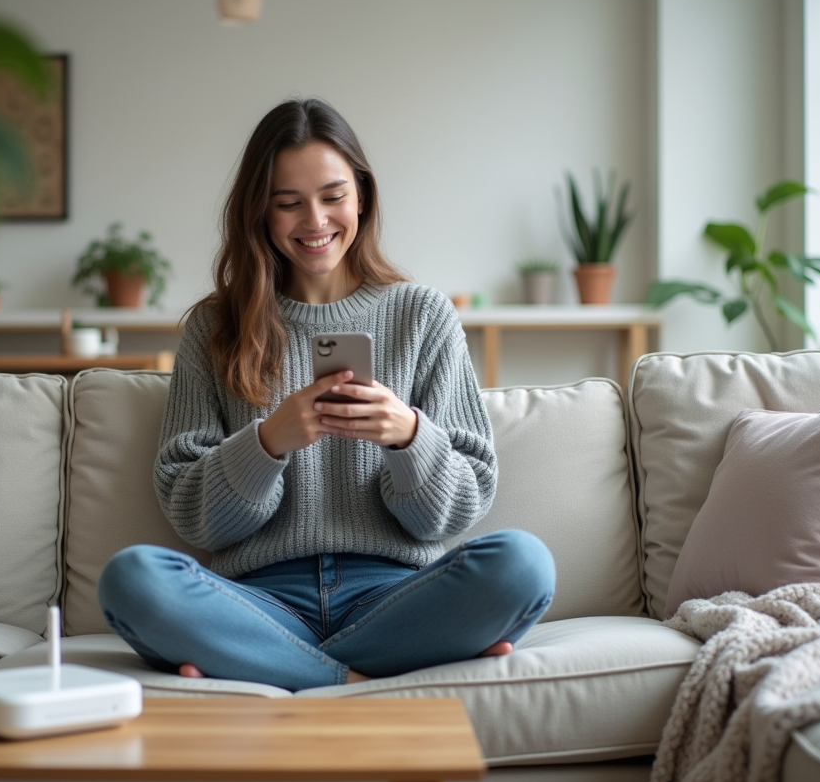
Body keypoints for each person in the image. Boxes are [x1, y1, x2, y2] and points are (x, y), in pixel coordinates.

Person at [98, 97, 555, 691]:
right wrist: (268, 442)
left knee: (523, 565)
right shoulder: (214, 327)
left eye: (333, 196)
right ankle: (356, 680)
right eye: (288, 203)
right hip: (260, 601)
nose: (314, 222)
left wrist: (409, 437)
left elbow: (460, 508)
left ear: (362, 195)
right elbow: (195, 518)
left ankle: (282, 668)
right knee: (132, 578)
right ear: (259, 212)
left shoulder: (423, 315)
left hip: (395, 596)